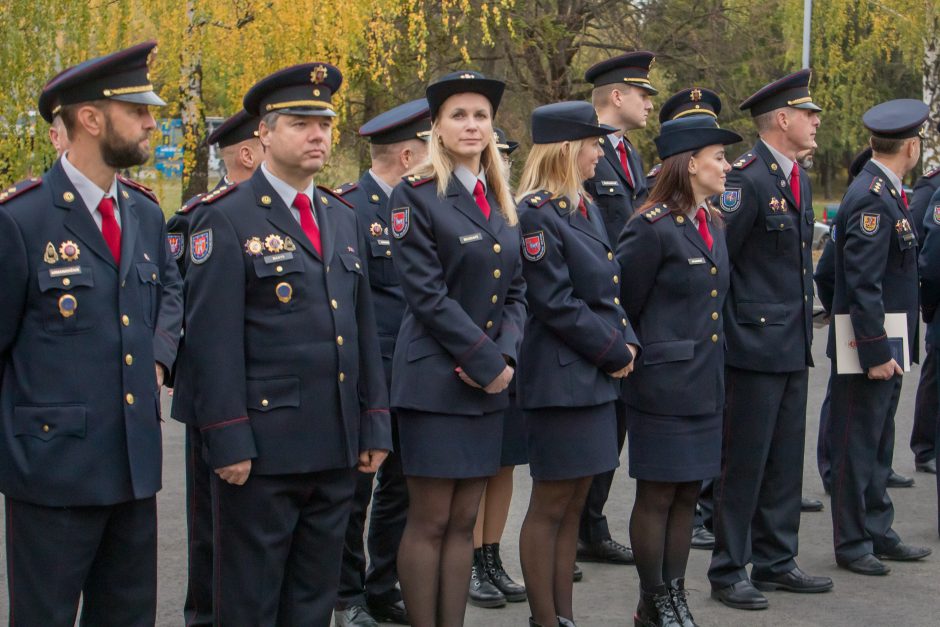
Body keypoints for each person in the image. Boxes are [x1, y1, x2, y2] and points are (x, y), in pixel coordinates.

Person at [182, 62, 392, 625]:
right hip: (263, 451)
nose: (318, 134)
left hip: (335, 443)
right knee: (249, 602)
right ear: (264, 134)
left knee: (312, 600)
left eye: (324, 123)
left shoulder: (341, 217)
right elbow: (212, 344)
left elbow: (362, 328)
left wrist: (374, 421)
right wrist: (227, 440)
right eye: (301, 123)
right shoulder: (225, 219)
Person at [0, 41, 183, 625]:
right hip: (52, 472)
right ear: (89, 118)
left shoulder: (145, 213)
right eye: (138, 111)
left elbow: (169, 295)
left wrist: (157, 356)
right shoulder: (21, 221)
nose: (152, 122)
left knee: (129, 616)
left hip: (132, 466)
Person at [388, 70, 526, 627]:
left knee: (466, 519)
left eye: (481, 116)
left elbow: (517, 291)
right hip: (434, 381)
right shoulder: (415, 195)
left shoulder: (498, 197)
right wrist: (486, 361)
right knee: (431, 520)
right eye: (459, 115)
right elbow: (427, 296)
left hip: (489, 382)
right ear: (436, 129)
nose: (472, 125)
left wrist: (507, 358)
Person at [709, 69, 833, 610]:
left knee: (785, 460)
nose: (816, 122)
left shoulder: (797, 177)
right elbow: (721, 262)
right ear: (782, 119)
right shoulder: (747, 177)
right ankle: (729, 568)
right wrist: (727, 335)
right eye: (809, 114)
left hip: (790, 343)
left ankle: (777, 559)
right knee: (744, 464)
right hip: (753, 347)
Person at [513, 101, 637, 627]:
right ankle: (546, 619)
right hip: (562, 377)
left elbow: (609, 289)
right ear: (567, 149)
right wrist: (614, 352)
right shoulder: (537, 213)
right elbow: (554, 302)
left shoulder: (580, 206)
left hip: (592, 376)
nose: (599, 153)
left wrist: (628, 342)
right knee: (551, 504)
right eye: (592, 144)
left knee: (575, 500)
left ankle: (564, 615)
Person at [619, 99, 741, 627]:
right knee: (657, 495)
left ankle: (672, 597)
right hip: (663, 384)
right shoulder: (651, 227)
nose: (727, 165)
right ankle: (656, 598)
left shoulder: (712, 221)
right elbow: (624, 303)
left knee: (688, 494)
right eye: (719, 156)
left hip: (705, 384)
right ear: (690, 162)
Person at [332, 98, 431, 627]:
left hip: (414, 373)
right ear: (410, 154)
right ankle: (346, 596)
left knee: (403, 486)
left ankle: (382, 584)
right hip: (368, 376)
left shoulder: (422, 205)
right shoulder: (348, 208)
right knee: (355, 492)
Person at [164, 108, 262, 627]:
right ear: (248, 152)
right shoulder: (198, 217)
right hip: (210, 395)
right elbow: (184, 312)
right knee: (211, 527)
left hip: (267, 394)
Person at [828, 99, 933, 575]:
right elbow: (861, 280)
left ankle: (877, 528)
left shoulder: (885, 190)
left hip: (890, 338)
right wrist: (872, 351)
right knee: (858, 442)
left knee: (878, 441)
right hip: (871, 344)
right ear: (910, 146)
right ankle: (853, 542)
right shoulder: (872, 195)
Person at [578, 50, 658, 567]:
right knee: (590, 428)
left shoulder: (627, 155)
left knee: (616, 427)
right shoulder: (583, 151)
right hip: (594, 311)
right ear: (616, 96)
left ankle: (592, 524)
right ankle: (575, 527)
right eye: (643, 94)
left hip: (630, 310)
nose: (649, 103)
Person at [469, 126, 529, 609]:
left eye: (506, 156)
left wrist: (506, 351)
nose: (501, 164)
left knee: (504, 462)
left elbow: (518, 290)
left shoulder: (507, 212)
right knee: (476, 466)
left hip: (507, 357)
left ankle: (491, 554)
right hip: (468, 360)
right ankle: (471, 559)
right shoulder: (454, 207)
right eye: (497, 155)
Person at [908, 129, 940, 476]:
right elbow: (924, 253)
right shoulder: (932, 186)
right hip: (935, 305)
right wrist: (928, 307)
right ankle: (925, 446)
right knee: (934, 378)